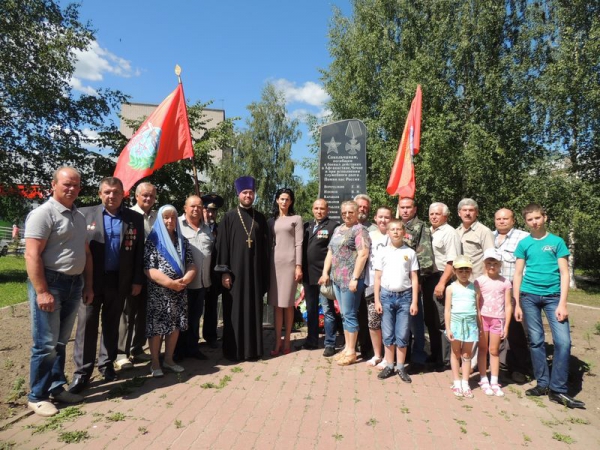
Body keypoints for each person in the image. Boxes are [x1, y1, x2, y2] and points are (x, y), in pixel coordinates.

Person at [24, 167, 93, 416]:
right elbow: (32, 254)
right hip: (50, 283)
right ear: (53, 185)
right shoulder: (43, 214)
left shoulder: (78, 216)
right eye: (66, 184)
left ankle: (55, 387)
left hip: (74, 285)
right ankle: (37, 395)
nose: (71, 188)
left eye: (76, 185)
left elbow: (86, 253)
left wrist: (89, 285)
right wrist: (42, 291)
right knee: (45, 344)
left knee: (61, 341)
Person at [69, 177, 145, 394]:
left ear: (124, 195)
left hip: (119, 281)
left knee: (112, 324)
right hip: (91, 281)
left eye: (116, 192)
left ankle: (106, 364)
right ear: (100, 194)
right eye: (107, 192)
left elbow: (138, 252)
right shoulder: (84, 214)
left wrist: (137, 280)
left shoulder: (134, 218)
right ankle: (82, 373)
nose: (111, 196)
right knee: (87, 325)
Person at [513, 204, 585, 409]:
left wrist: (563, 302)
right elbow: (518, 274)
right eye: (530, 219)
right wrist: (517, 303)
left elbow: (564, 273)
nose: (534, 222)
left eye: (537, 218)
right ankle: (543, 383)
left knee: (563, 342)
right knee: (536, 341)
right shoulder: (524, 244)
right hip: (528, 297)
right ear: (525, 222)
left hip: (553, 298)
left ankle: (558, 389)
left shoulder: (557, 242)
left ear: (544, 217)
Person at [215, 176, 269, 361]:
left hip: (254, 274)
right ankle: (234, 350)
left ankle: (253, 350)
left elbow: (265, 249)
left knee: (254, 310)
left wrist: (264, 275)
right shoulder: (228, 217)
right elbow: (222, 246)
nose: (248, 195)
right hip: (235, 274)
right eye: (245, 193)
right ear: (239, 194)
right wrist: (224, 272)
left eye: (251, 193)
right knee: (234, 311)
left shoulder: (260, 218)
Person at [145, 205, 197, 377]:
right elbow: (148, 269)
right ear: (160, 219)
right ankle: (154, 363)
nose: (170, 221)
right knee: (158, 328)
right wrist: (170, 283)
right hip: (160, 292)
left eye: (173, 217)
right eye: (166, 217)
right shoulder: (153, 240)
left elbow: (191, 263)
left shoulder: (182, 240)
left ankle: (168, 360)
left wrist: (187, 278)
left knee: (175, 326)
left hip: (179, 291)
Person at [319, 200, 371, 366]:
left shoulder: (360, 230)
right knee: (344, 314)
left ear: (356, 213)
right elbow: (330, 252)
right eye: (344, 212)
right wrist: (325, 272)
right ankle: (348, 348)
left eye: (350, 212)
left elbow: (363, 254)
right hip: (337, 279)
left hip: (351, 280)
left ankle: (351, 352)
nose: (347, 215)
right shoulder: (338, 229)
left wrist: (355, 278)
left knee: (350, 314)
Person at [116, 182, 158, 369]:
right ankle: (120, 354)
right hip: (132, 273)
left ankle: (137, 348)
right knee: (127, 313)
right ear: (136, 196)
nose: (148, 199)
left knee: (144, 313)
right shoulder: (128, 216)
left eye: (152, 196)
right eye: (145, 195)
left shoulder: (157, 217)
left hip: (153, 274)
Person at [374, 220, 419, 383]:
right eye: (392, 229)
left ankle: (400, 367)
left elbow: (414, 278)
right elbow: (377, 278)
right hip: (386, 297)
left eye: (398, 229)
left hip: (405, 297)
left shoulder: (410, 252)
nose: (395, 232)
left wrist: (414, 302)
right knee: (388, 333)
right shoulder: (382, 252)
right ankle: (389, 365)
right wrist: (377, 300)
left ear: (403, 232)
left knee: (402, 333)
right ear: (387, 232)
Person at [493, 208, 532, 382]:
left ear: (513, 220)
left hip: (515, 291)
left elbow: (528, 265)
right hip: (494, 291)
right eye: (498, 219)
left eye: (505, 218)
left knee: (517, 330)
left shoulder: (523, 238)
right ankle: (501, 363)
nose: (501, 221)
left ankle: (519, 368)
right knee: (495, 327)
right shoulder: (490, 236)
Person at [397, 197, 433, 373]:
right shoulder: (396, 226)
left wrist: (418, 280)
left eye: (408, 207)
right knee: (402, 320)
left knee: (415, 321)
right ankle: (405, 354)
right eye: (402, 207)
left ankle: (418, 358)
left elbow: (424, 257)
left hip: (413, 281)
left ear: (415, 209)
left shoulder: (419, 227)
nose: (405, 210)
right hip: (397, 281)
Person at [176, 195, 214, 360]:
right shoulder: (176, 224)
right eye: (192, 206)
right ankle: (177, 350)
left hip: (201, 282)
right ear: (185, 207)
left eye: (199, 206)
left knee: (195, 318)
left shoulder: (207, 229)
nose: (196, 209)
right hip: (181, 283)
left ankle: (193, 348)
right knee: (179, 319)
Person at [425, 202, 461, 370]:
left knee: (441, 320)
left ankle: (445, 359)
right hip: (428, 277)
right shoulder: (428, 231)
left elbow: (452, 261)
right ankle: (435, 354)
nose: (433, 216)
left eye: (437, 214)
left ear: (445, 216)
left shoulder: (450, 232)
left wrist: (441, 283)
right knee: (430, 320)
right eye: (431, 213)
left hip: (441, 278)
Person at [268, 188, 303, 356]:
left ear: (291, 202)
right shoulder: (271, 221)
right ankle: (277, 340)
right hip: (273, 265)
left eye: (287, 199)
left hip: (289, 264)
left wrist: (298, 265)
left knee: (287, 304)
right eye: (281, 199)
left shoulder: (296, 219)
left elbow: (299, 244)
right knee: (276, 304)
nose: (284, 202)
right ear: (277, 200)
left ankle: (287, 339)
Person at [301, 199, 338, 356]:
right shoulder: (306, 226)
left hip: (324, 275)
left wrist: (328, 273)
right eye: (316, 208)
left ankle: (330, 343)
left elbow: (333, 252)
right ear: (312, 209)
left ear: (327, 210)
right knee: (311, 309)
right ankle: (312, 339)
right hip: (308, 275)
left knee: (328, 310)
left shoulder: (333, 226)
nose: (319, 211)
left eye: (322, 208)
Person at [475, 249, 512, 397]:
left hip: (498, 319)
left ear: (500, 265)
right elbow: (476, 303)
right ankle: (483, 378)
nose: (492, 266)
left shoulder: (505, 282)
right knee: (483, 349)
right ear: (484, 264)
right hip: (483, 319)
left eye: (495, 263)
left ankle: (494, 381)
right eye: (489, 263)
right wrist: (478, 322)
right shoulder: (479, 281)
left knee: (494, 350)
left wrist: (507, 325)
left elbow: (508, 305)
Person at [445, 255, 481, 398]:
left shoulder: (475, 288)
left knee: (467, 354)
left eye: (467, 270)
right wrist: (448, 328)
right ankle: (456, 381)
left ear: (471, 271)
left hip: (471, 324)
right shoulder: (451, 288)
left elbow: (477, 309)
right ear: (454, 271)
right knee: (455, 353)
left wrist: (480, 327)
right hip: (456, 323)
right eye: (460, 271)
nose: (464, 273)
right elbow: (447, 310)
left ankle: (465, 382)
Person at [364, 206, 393, 369]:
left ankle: (388, 357)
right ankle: (377, 354)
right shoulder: (369, 236)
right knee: (374, 322)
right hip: (371, 284)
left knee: (388, 322)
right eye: (380, 217)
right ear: (375, 218)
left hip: (390, 286)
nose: (383, 220)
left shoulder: (395, 236)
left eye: (387, 217)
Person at [354, 193, 376, 359]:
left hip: (368, 278)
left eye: (365, 208)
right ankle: (351, 346)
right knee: (350, 312)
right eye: (360, 206)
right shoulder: (345, 227)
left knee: (365, 313)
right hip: (349, 277)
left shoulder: (374, 229)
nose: (362, 210)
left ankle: (367, 347)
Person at [201, 193, 224, 348]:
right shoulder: (197, 226)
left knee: (211, 307)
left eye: (213, 211)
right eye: (208, 210)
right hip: (196, 274)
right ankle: (190, 339)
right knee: (194, 309)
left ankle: (210, 336)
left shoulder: (220, 229)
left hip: (213, 276)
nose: (211, 214)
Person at [456, 198, 494, 279]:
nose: (467, 213)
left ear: (477, 213)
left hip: (476, 281)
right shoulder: (455, 232)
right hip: (458, 281)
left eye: (471, 210)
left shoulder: (484, 231)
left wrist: (486, 280)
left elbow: (490, 258)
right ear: (459, 213)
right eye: (464, 210)